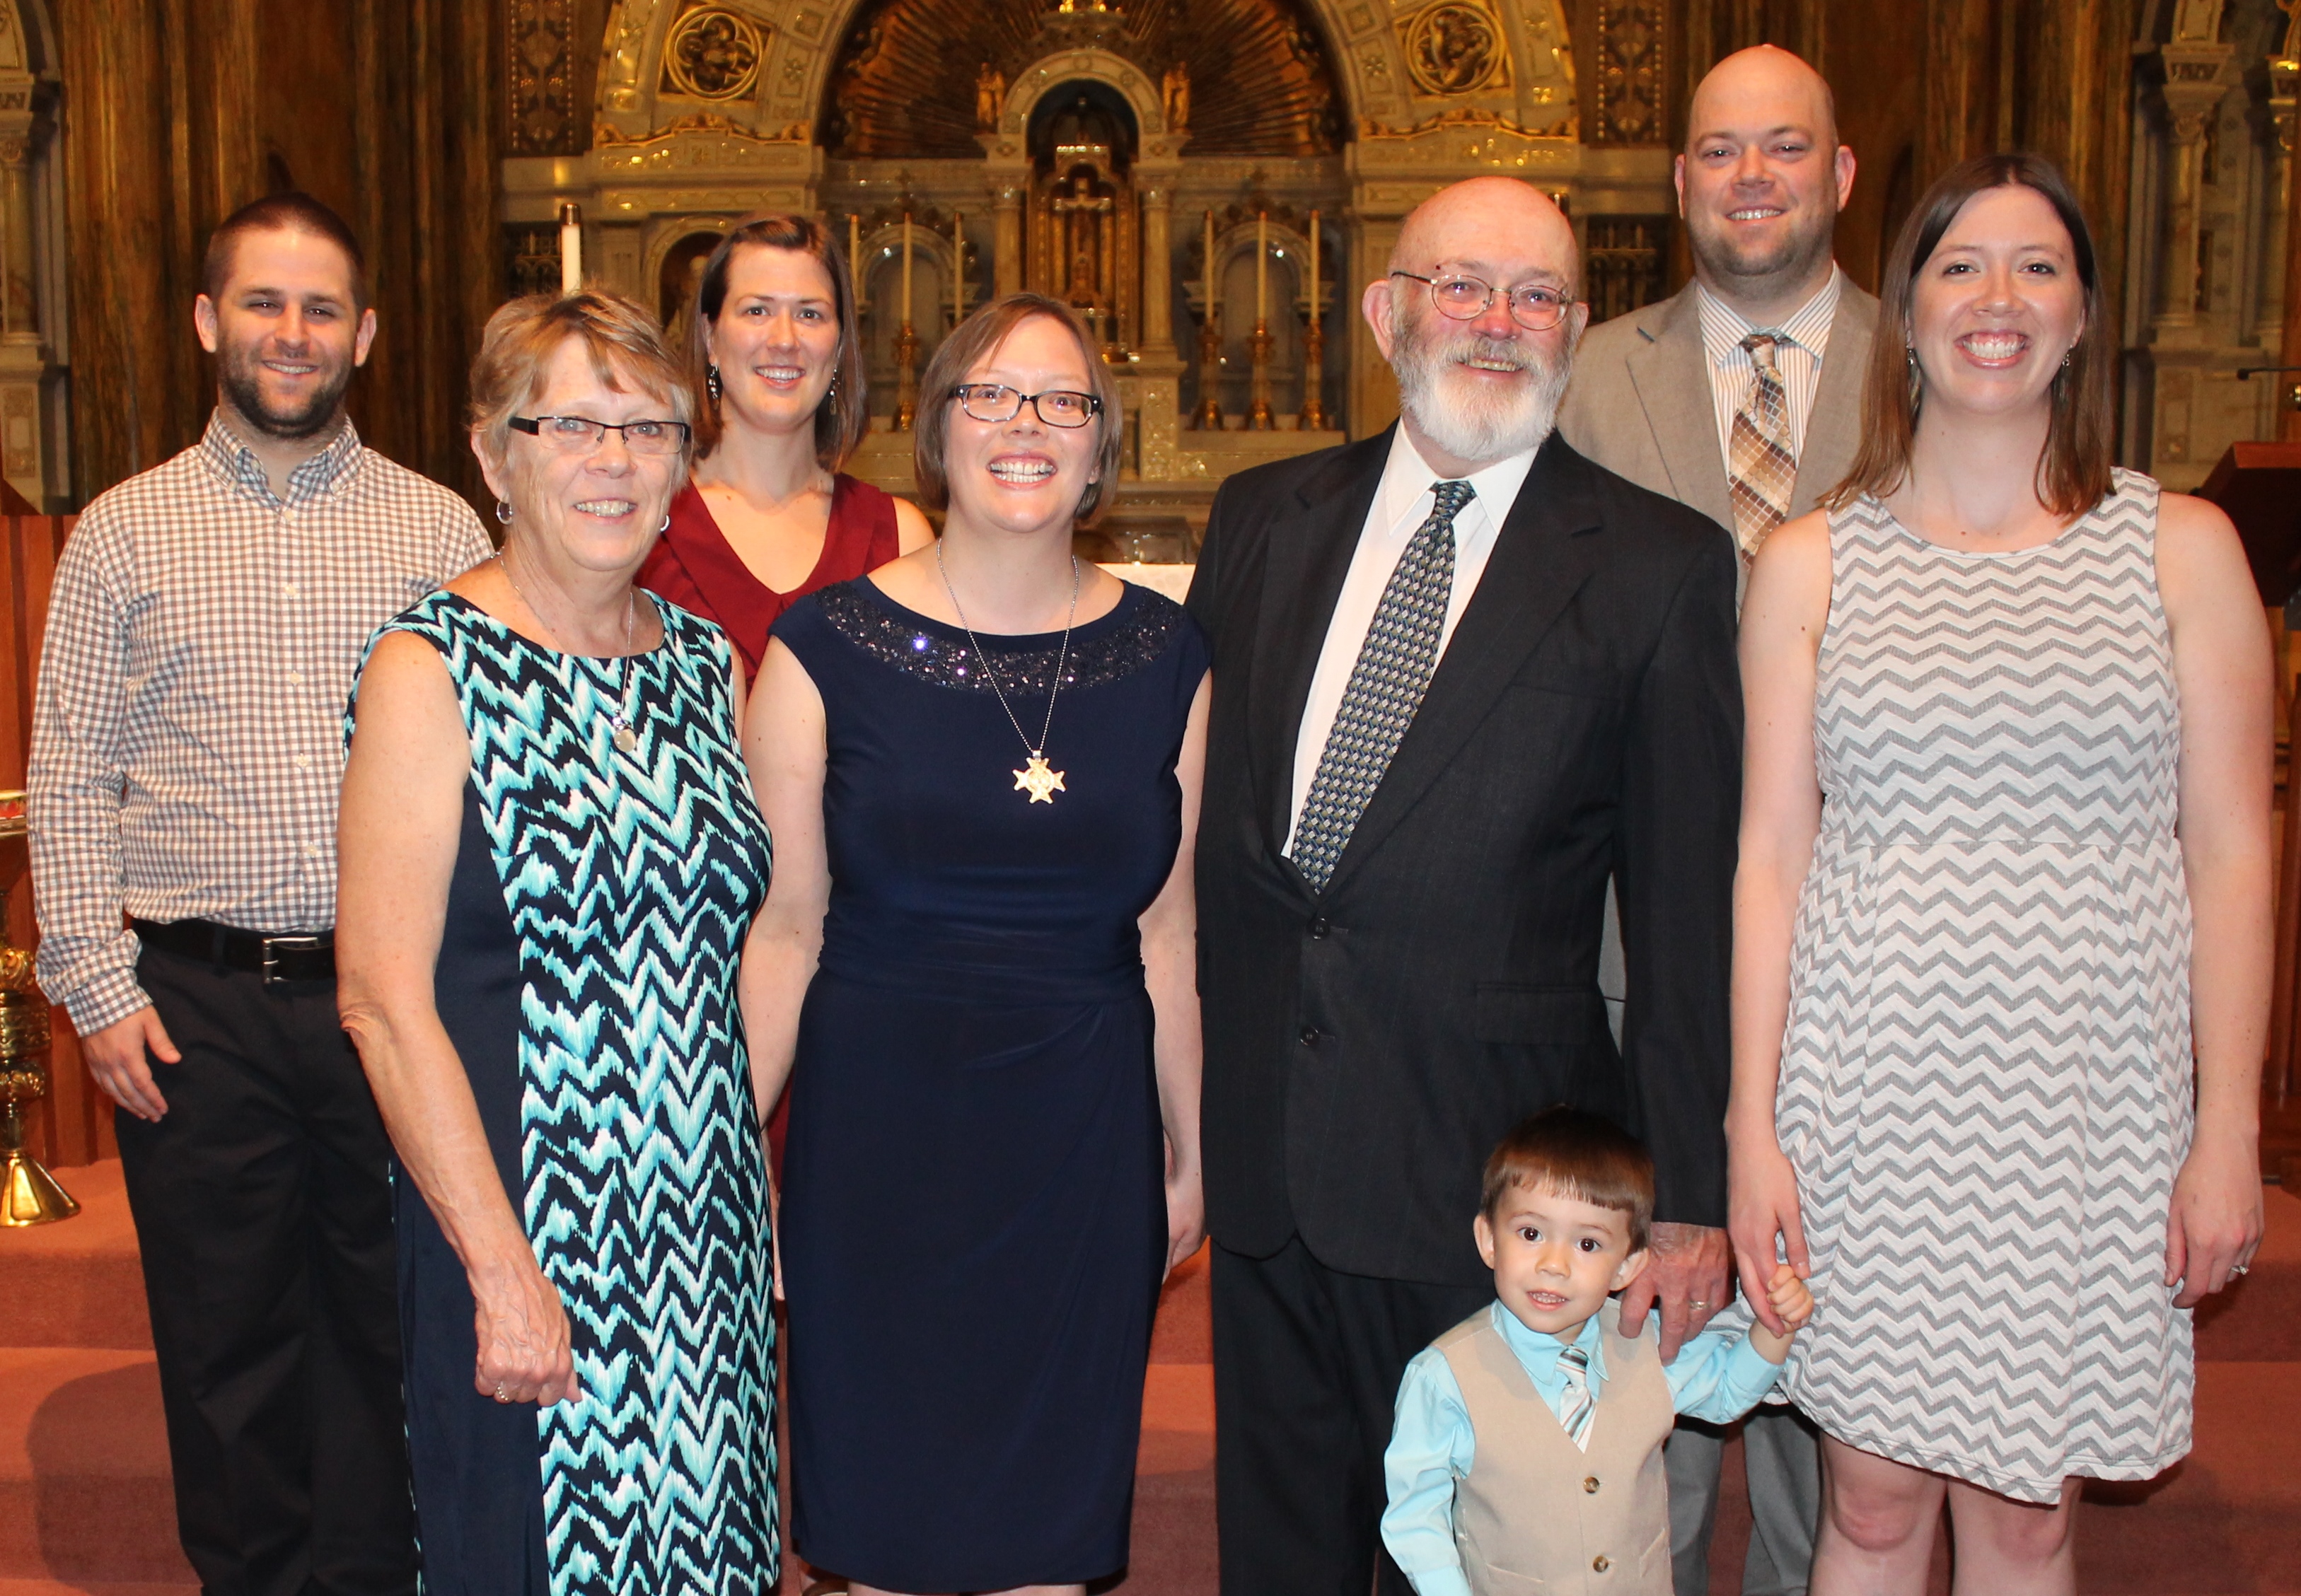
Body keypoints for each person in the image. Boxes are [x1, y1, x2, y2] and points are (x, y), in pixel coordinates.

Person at [1186, 175, 1742, 1596]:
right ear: (1389, 313)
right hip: (1269, 1160)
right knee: (1280, 1562)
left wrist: (1685, 1195)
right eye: (1462, 286)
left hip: (1499, 1192)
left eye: (1535, 295)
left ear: (1575, 328)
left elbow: (1683, 918)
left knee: (1491, 1566)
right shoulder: (1259, 518)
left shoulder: (1657, 566)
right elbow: (1202, 850)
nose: (1497, 321)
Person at [1731, 153, 2269, 1594]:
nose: (1998, 298)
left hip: (2089, 1101)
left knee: (2029, 1517)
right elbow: (1770, 858)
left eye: (2038, 267)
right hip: (1868, 1097)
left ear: (2080, 315)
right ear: (1904, 311)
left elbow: (2231, 851)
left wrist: (2226, 1126)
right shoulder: (1811, 561)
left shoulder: (2180, 549)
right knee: (1871, 1507)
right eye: (1961, 266)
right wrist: (1749, 1125)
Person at [25, 192, 487, 1596]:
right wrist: (95, 987)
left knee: (387, 1330)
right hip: (196, 1008)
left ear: (368, 335)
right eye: (264, 303)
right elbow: (69, 772)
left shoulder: (439, 527)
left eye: (322, 308)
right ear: (207, 320)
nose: (294, 332)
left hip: (389, 999)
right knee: (228, 1347)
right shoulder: (122, 532)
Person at [744, 291, 1209, 1595]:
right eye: (990, 395)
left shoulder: (1168, 653)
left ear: (1101, 443)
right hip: (877, 1136)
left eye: (1062, 400)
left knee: (1044, 1546)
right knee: (885, 1543)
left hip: (1081, 1136)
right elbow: (784, 929)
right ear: (937, 428)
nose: (1025, 425)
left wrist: (1193, 1148)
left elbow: (1168, 929)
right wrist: (731, 1143)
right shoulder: (821, 646)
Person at [336, 291, 778, 1593]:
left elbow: (728, 951)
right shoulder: (429, 668)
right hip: (528, 1224)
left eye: (648, 430)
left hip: (702, 1232)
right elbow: (380, 1002)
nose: (613, 461)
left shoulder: (705, 665)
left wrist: (734, 1174)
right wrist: (501, 1268)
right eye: (572, 425)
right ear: (495, 455)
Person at [1558, 41, 1870, 1595]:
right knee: (1647, 1413)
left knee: (1844, 1417)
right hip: (1637, 954)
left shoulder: (1940, 358)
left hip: (1866, 962)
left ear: (1840, 173)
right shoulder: (1582, 370)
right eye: (1722, 151)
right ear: (1680, 180)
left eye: (1784, 147)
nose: (1752, 178)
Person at [1381, 1108, 1815, 1596]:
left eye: (1587, 1244)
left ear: (1626, 1266)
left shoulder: (1643, 1342)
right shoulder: (1444, 1377)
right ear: (1488, 1241)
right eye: (1531, 1234)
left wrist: (1778, 1326)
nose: (1554, 1264)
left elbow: (1727, 1392)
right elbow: (1415, 1517)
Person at [637, 212, 932, 679]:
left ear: (839, 347)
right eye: (757, 311)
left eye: (810, 314)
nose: (784, 340)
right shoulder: (645, 524)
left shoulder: (898, 537)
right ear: (710, 337)